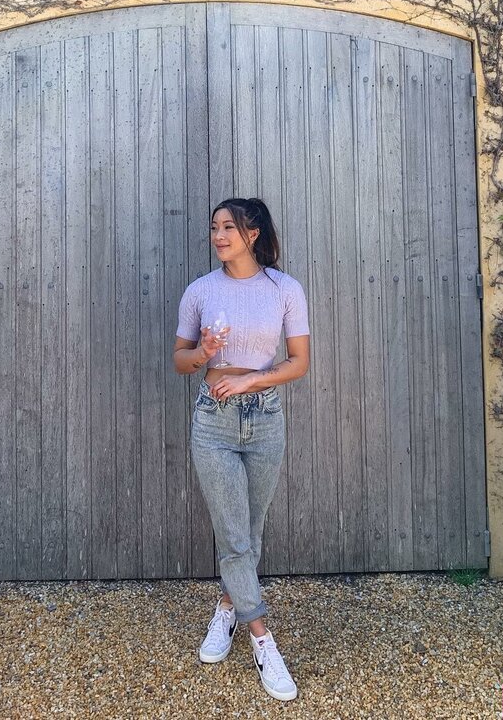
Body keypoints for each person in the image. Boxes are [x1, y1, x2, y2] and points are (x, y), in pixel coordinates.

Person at [172, 197, 310, 702]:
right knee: (235, 536)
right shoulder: (200, 291)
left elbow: (298, 362)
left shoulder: (284, 289)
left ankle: (227, 608)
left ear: (253, 234)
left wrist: (251, 382)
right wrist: (204, 353)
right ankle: (262, 638)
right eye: (214, 227)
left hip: (265, 417)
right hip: (213, 418)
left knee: (249, 530)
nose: (219, 236)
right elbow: (180, 361)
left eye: (228, 227)